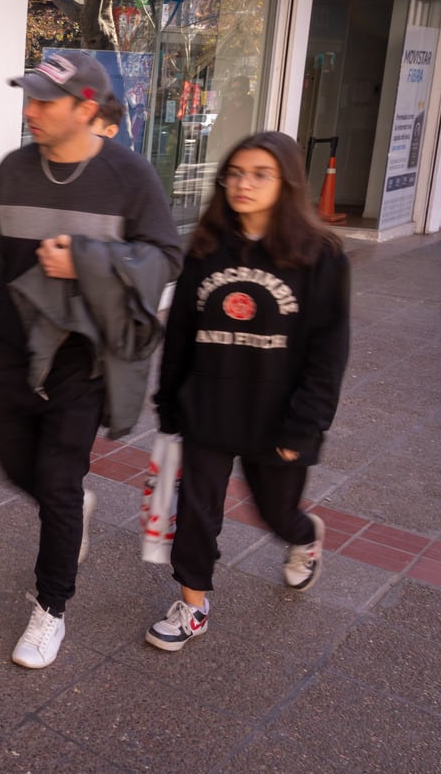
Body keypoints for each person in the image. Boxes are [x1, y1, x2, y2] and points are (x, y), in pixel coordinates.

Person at [0, 50, 181, 669]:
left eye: (44, 101)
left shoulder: (130, 176)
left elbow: (166, 257)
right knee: (17, 467)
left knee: (60, 480)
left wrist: (88, 260)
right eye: (29, 98)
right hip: (13, 351)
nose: (30, 111)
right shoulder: (13, 170)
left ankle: (51, 608)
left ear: (85, 108)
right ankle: (72, 509)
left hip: (83, 359)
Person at [146, 131, 350, 652]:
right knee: (196, 511)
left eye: (261, 174)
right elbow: (181, 334)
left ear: (287, 183)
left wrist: (305, 426)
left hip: (278, 417)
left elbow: (329, 351)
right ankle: (193, 606)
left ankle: (305, 538)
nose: (244, 184)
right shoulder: (207, 246)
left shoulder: (320, 255)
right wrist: (168, 404)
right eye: (235, 173)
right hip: (208, 409)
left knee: (276, 512)